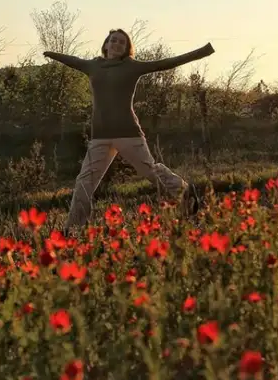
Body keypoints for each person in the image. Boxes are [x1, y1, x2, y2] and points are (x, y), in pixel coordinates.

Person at [43, 28, 215, 231]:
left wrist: (202, 51)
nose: (116, 44)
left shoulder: (131, 67)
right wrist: (51, 54)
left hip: (128, 134)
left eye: (121, 43)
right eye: (113, 40)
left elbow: (167, 63)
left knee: (151, 173)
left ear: (126, 49)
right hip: (99, 137)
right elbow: (73, 60)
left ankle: (185, 193)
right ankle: (73, 230)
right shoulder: (93, 66)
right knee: (83, 184)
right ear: (106, 44)